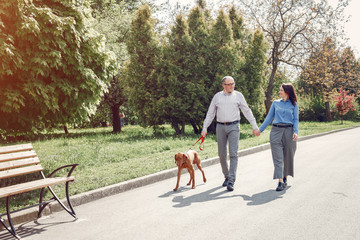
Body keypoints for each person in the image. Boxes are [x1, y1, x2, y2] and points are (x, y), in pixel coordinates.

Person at [201, 76, 260, 191]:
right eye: (229, 84)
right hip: (220, 127)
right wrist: (205, 127)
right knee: (222, 154)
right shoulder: (217, 97)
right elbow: (210, 113)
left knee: (233, 153)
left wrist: (254, 126)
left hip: (234, 126)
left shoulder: (238, 95)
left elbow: (246, 111)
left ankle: (231, 180)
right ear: (223, 85)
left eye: (233, 83)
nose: (232, 86)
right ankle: (227, 176)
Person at [258, 83, 299, 191]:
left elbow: (296, 119)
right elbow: (269, 118)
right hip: (276, 131)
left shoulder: (294, 105)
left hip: (289, 132)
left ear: (287, 92)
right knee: (278, 157)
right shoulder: (275, 103)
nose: (279, 92)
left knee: (288, 156)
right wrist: (260, 130)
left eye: (281, 90)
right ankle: (280, 181)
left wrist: (296, 132)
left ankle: (285, 177)